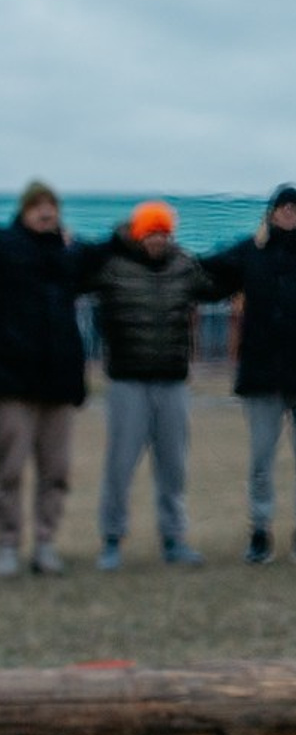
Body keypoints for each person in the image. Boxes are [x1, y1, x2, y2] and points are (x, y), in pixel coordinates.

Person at [201, 184, 296, 565]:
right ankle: (260, 532)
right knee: (261, 461)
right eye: (282, 209)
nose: (289, 216)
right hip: (262, 376)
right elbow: (210, 270)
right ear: (271, 213)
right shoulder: (251, 254)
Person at [86, 200, 220, 570]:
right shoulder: (111, 268)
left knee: (173, 465)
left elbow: (216, 284)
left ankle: (174, 538)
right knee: (120, 464)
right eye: (150, 233)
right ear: (137, 234)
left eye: (163, 232)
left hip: (172, 381)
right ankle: (112, 540)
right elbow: (76, 273)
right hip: (127, 381)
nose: (157, 240)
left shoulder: (184, 266)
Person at [0, 181, 89, 576]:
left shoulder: (69, 252)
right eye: (38, 205)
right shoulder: (5, 247)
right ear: (24, 210)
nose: (45, 212)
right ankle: (6, 544)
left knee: (56, 470)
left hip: (59, 381)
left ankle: (46, 543)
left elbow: (102, 259)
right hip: (12, 381)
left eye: (51, 205)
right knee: (9, 469)